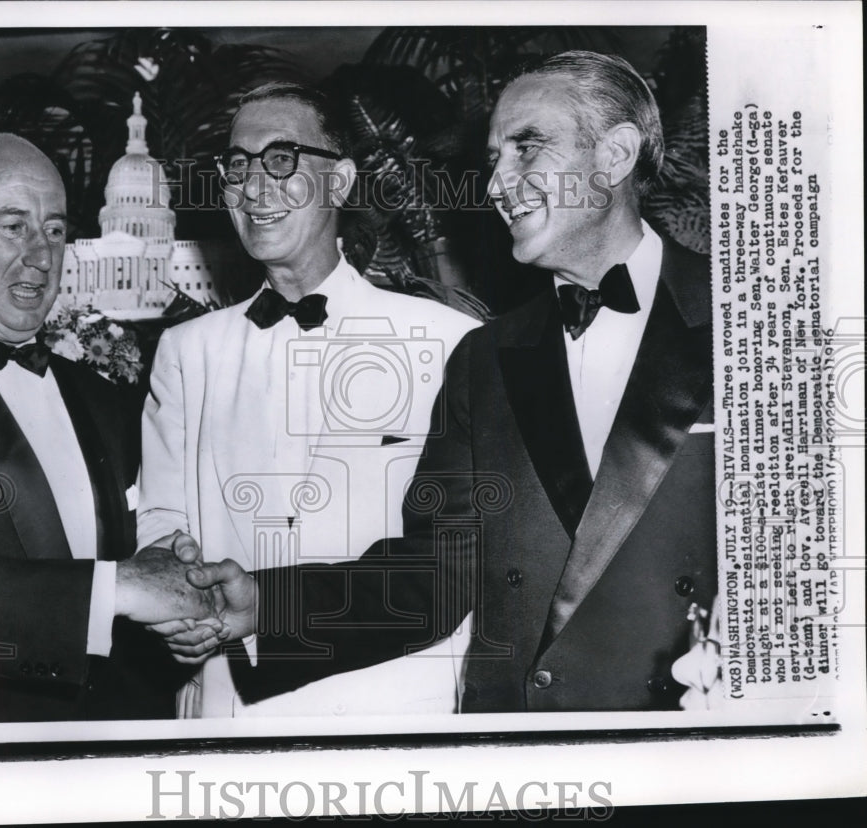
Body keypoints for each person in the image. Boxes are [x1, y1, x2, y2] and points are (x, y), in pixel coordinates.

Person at [177, 51, 719, 713]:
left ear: (615, 155)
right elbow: (431, 576)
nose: (496, 183)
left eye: (527, 148)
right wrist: (264, 602)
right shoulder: (486, 357)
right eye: (493, 159)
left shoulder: (747, 320)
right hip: (516, 753)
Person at [136, 82, 480, 717]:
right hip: (228, 714)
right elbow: (160, 514)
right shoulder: (186, 351)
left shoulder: (448, 340)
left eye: (282, 158)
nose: (253, 187)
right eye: (237, 166)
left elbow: (446, 565)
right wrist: (173, 576)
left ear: (342, 180)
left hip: (394, 709)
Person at [0, 133, 214, 724]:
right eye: (13, 226)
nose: (40, 256)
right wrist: (118, 588)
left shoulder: (101, 395)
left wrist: (178, 594)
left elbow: (135, 551)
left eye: (56, 231)